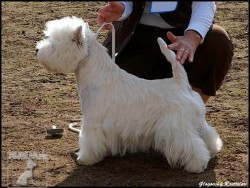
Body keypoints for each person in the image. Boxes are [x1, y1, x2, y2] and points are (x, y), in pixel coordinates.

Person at [97, 1, 234, 103]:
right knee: (124, 111)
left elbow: (204, 3)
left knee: (217, 40)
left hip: (181, 35)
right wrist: (122, 7)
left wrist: (193, 36)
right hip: (135, 37)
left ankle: (191, 117)